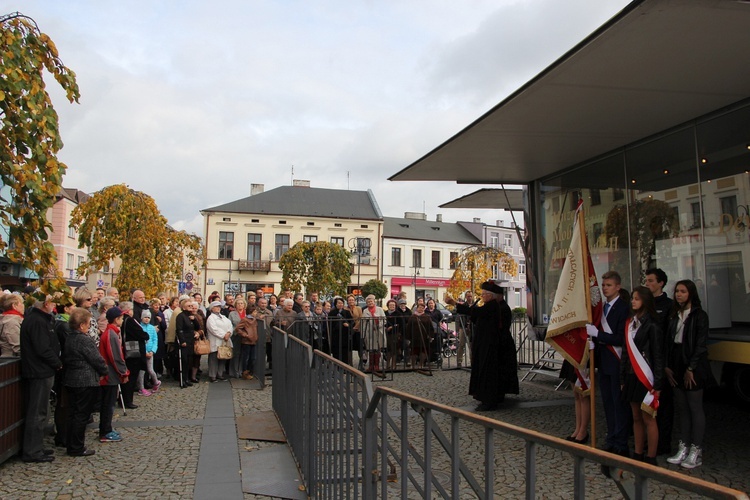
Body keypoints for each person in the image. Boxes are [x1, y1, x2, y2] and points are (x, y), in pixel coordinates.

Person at [446, 281, 519, 411]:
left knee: (488, 373)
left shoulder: (492, 306)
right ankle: (489, 397)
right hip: (485, 344)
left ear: (491, 296)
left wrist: (454, 303)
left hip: (490, 345)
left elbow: (475, 312)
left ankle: (489, 400)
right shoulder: (490, 306)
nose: (482, 296)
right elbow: (477, 315)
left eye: (484, 294)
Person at [665, 279, 712, 469]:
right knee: (682, 407)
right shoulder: (673, 314)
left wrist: (691, 368)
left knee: (695, 407)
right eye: (677, 291)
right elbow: (667, 341)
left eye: (683, 291)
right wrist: (667, 366)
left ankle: (696, 449)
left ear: (690, 293)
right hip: (675, 361)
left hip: (693, 363)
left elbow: (701, 344)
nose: (679, 294)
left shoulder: (699, 315)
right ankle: (683, 446)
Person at [586, 271, 631, 456]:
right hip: (604, 362)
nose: (605, 288)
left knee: (619, 404)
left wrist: (598, 335)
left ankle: (621, 442)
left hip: (618, 362)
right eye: (604, 285)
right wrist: (593, 342)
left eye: (609, 285)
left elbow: (621, 338)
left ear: (618, 287)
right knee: (607, 403)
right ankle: (611, 438)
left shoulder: (624, 307)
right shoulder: (603, 307)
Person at [620, 286, 663, 465]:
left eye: (637, 298)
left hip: (646, 376)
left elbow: (658, 355)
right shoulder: (630, 323)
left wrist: (658, 384)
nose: (633, 301)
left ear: (645, 300)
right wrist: (622, 377)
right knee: (636, 416)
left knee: (649, 418)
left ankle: (651, 456)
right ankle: (637, 453)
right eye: (632, 298)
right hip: (631, 375)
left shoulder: (653, 324)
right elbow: (625, 352)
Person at [20, 293, 62, 463]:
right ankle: (32, 450)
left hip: (42, 370)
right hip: (39, 371)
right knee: (38, 412)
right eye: (52, 303)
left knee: (42, 411)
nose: (54, 306)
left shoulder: (40, 319)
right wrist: (57, 362)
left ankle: (36, 447)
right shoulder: (37, 321)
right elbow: (42, 348)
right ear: (46, 303)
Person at [64, 307, 107, 457]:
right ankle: (76, 446)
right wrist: (104, 371)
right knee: (81, 415)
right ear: (82, 325)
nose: (89, 326)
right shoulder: (83, 339)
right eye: (88, 323)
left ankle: (70, 443)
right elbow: (96, 359)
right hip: (85, 380)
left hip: (72, 379)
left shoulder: (69, 337)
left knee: (73, 413)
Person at [644, 268, 675, 456]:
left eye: (651, 281)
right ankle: (650, 440)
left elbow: (669, 337)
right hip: (645, 360)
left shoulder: (669, 305)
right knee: (647, 405)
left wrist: (666, 364)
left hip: (661, 360)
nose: (648, 284)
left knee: (663, 405)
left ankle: (663, 443)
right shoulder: (645, 304)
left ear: (661, 283)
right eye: (646, 281)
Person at [99, 307, 128, 443]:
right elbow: (115, 356)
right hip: (109, 375)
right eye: (121, 318)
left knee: (109, 403)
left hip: (110, 374)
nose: (122, 320)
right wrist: (123, 372)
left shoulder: (113, 332)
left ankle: (106, 428)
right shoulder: (111, 333)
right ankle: (105, 431)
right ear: (116, 319)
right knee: (108, 404)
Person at [119, 301, 149, 409]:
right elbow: (140, 333)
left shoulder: (124, 320)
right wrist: (146, 335)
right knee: (131, 376)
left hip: (130, 347)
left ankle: (125, 399)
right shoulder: (129, 320)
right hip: (132, 349)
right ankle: (128, 400)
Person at [206, 300, 233, 382]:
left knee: (223, 357)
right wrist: (223, 335)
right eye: (216, 307)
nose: (218, 308)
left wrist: (229, 333)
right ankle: (212, 375)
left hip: (225, 340)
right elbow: (213, 329)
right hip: (216, 340)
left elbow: (230, 326)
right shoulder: (210, 318)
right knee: (214, 358)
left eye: (219, 307)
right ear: (212, 309)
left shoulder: (224, 317)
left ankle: (220, 374)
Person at [176, 300, 201, 387]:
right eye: (189, 306)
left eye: (191, 306)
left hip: (191, 341)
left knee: (189, 361)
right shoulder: (180, 316)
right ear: (184, 307)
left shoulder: (191, 316)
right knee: (184, 361)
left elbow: (198, 327)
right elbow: (179, 329)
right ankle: (182, 379)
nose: (191, 307)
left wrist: (194, 320)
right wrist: (182, 341)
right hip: (184, 341)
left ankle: (187, 378)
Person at [361, 295, 386, 373]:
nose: (370, 303)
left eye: (371, 301)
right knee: (371, 349)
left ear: (374, 302)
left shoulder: (380, 309)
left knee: (377, 349)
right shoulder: (365, 311)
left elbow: (384, 320)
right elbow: (363, 322)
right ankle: (371, 365)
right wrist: (363, 333)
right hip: (369, 332)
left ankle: (377, 365)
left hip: (378, 331)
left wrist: (379, 323)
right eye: (368, 302)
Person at [137, 310, 160, 395]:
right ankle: (141, 388)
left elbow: (155, 340)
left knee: (150, 370)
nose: (147, 319)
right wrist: (145, 352)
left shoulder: (152, 328)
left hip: (150, 352)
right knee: (142, 371)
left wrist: (153, 351)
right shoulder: (139, 327)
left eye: (148, 318)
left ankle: (156, 382)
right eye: (145, 317)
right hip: (143, 352)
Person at [405, 302, 433, 369]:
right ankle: (413, 365)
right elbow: (408, 327)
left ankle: (421, 364)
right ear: (417, 308)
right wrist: (408, 337)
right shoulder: (412, 317)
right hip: (414, 337)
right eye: (419, 307)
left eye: (422, 308)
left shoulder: (427, 317)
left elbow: (430, 328)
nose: (421, 309)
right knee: (413, 351)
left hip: (423, 337)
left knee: (423, 351)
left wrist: (430, 336)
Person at [329, 297, 353, 364]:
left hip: (344, 335)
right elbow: (329, 323)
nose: (340, 304)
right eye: (339, 303)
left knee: (344, 352)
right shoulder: (332, 313)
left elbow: (352, 322)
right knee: (336, 352)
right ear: (335, 304)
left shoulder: (347, 312)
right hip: (335, 335)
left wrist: (348, 325)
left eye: (342, 303)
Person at [228, 297, 247, 378]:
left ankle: (241, 370)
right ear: (235, 305)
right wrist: (234, 331)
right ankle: (234, 371)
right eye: (238, 303)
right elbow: (229, 325)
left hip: (245, 336)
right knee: (236, 354)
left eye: (241, 303)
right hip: (235, 335)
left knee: (243, 354)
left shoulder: (246, 314)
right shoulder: (232, 314)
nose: (240, 305)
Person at [0, 293, 24, 357]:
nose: (23, 305)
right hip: (12, 360)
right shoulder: (11, 322)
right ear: (14, 305)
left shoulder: (10, 319)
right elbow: (18, 347)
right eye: (21, 303)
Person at [384, 299, 399, 370]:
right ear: (388, 306)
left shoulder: (398, 313)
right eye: (390, 305)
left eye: (393, 305)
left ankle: (393, 364)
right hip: (386, 333)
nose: (392, 306)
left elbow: (400, 324)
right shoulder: (385, 313)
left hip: (395, 333)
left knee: (394, 349)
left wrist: (392, 327)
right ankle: (387, 364)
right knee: (388, 349)